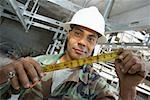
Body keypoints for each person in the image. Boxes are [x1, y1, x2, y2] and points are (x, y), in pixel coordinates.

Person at [0, 6, 146, 100]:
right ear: (68, 35)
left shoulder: (96, 86)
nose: (83, 42)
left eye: (91, 38)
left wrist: (128, 90)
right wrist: (3, 75)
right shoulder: (38, 62)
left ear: (95, 44)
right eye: (78, 33)